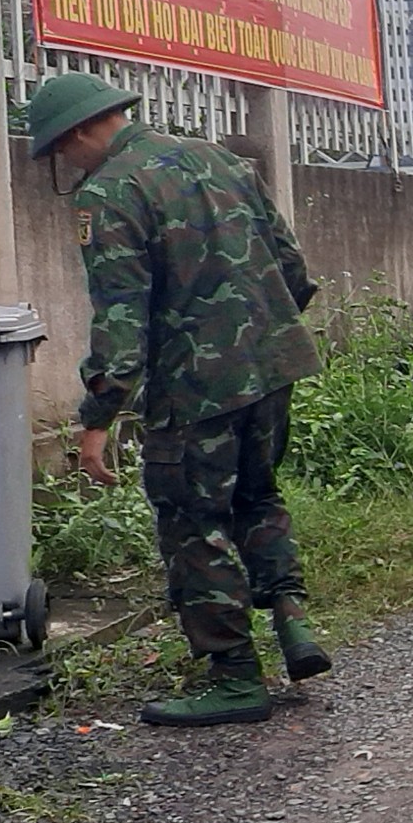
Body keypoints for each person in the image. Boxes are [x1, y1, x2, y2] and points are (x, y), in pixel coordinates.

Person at [31, 73, 330, 726]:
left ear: (83, 130)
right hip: (273, 366)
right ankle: (294, 624)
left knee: (194, 521)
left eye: (60, 149)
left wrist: (97, 419)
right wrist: (264, 338)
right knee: (258, 495)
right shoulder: (216, 156)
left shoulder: (108, 192)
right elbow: (292, 265)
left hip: (195, 388)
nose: (65, 162)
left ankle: (235, 678)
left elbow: (121, 320)